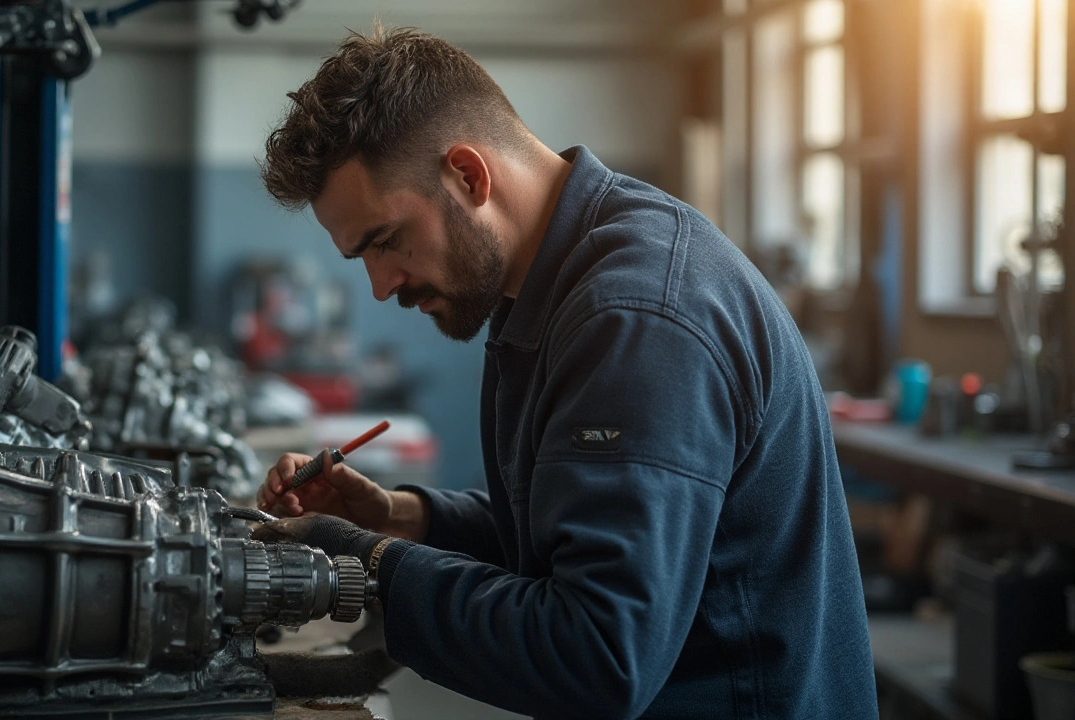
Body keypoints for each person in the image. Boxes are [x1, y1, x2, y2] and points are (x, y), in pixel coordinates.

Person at [251, 25, 878, 720]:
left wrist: (362, 558)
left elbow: (598, 656)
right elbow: (575, 525)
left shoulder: (636, 318)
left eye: (387, 240)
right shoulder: (562, 283)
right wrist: (403, 517)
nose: (380, 286)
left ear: (468, 175)